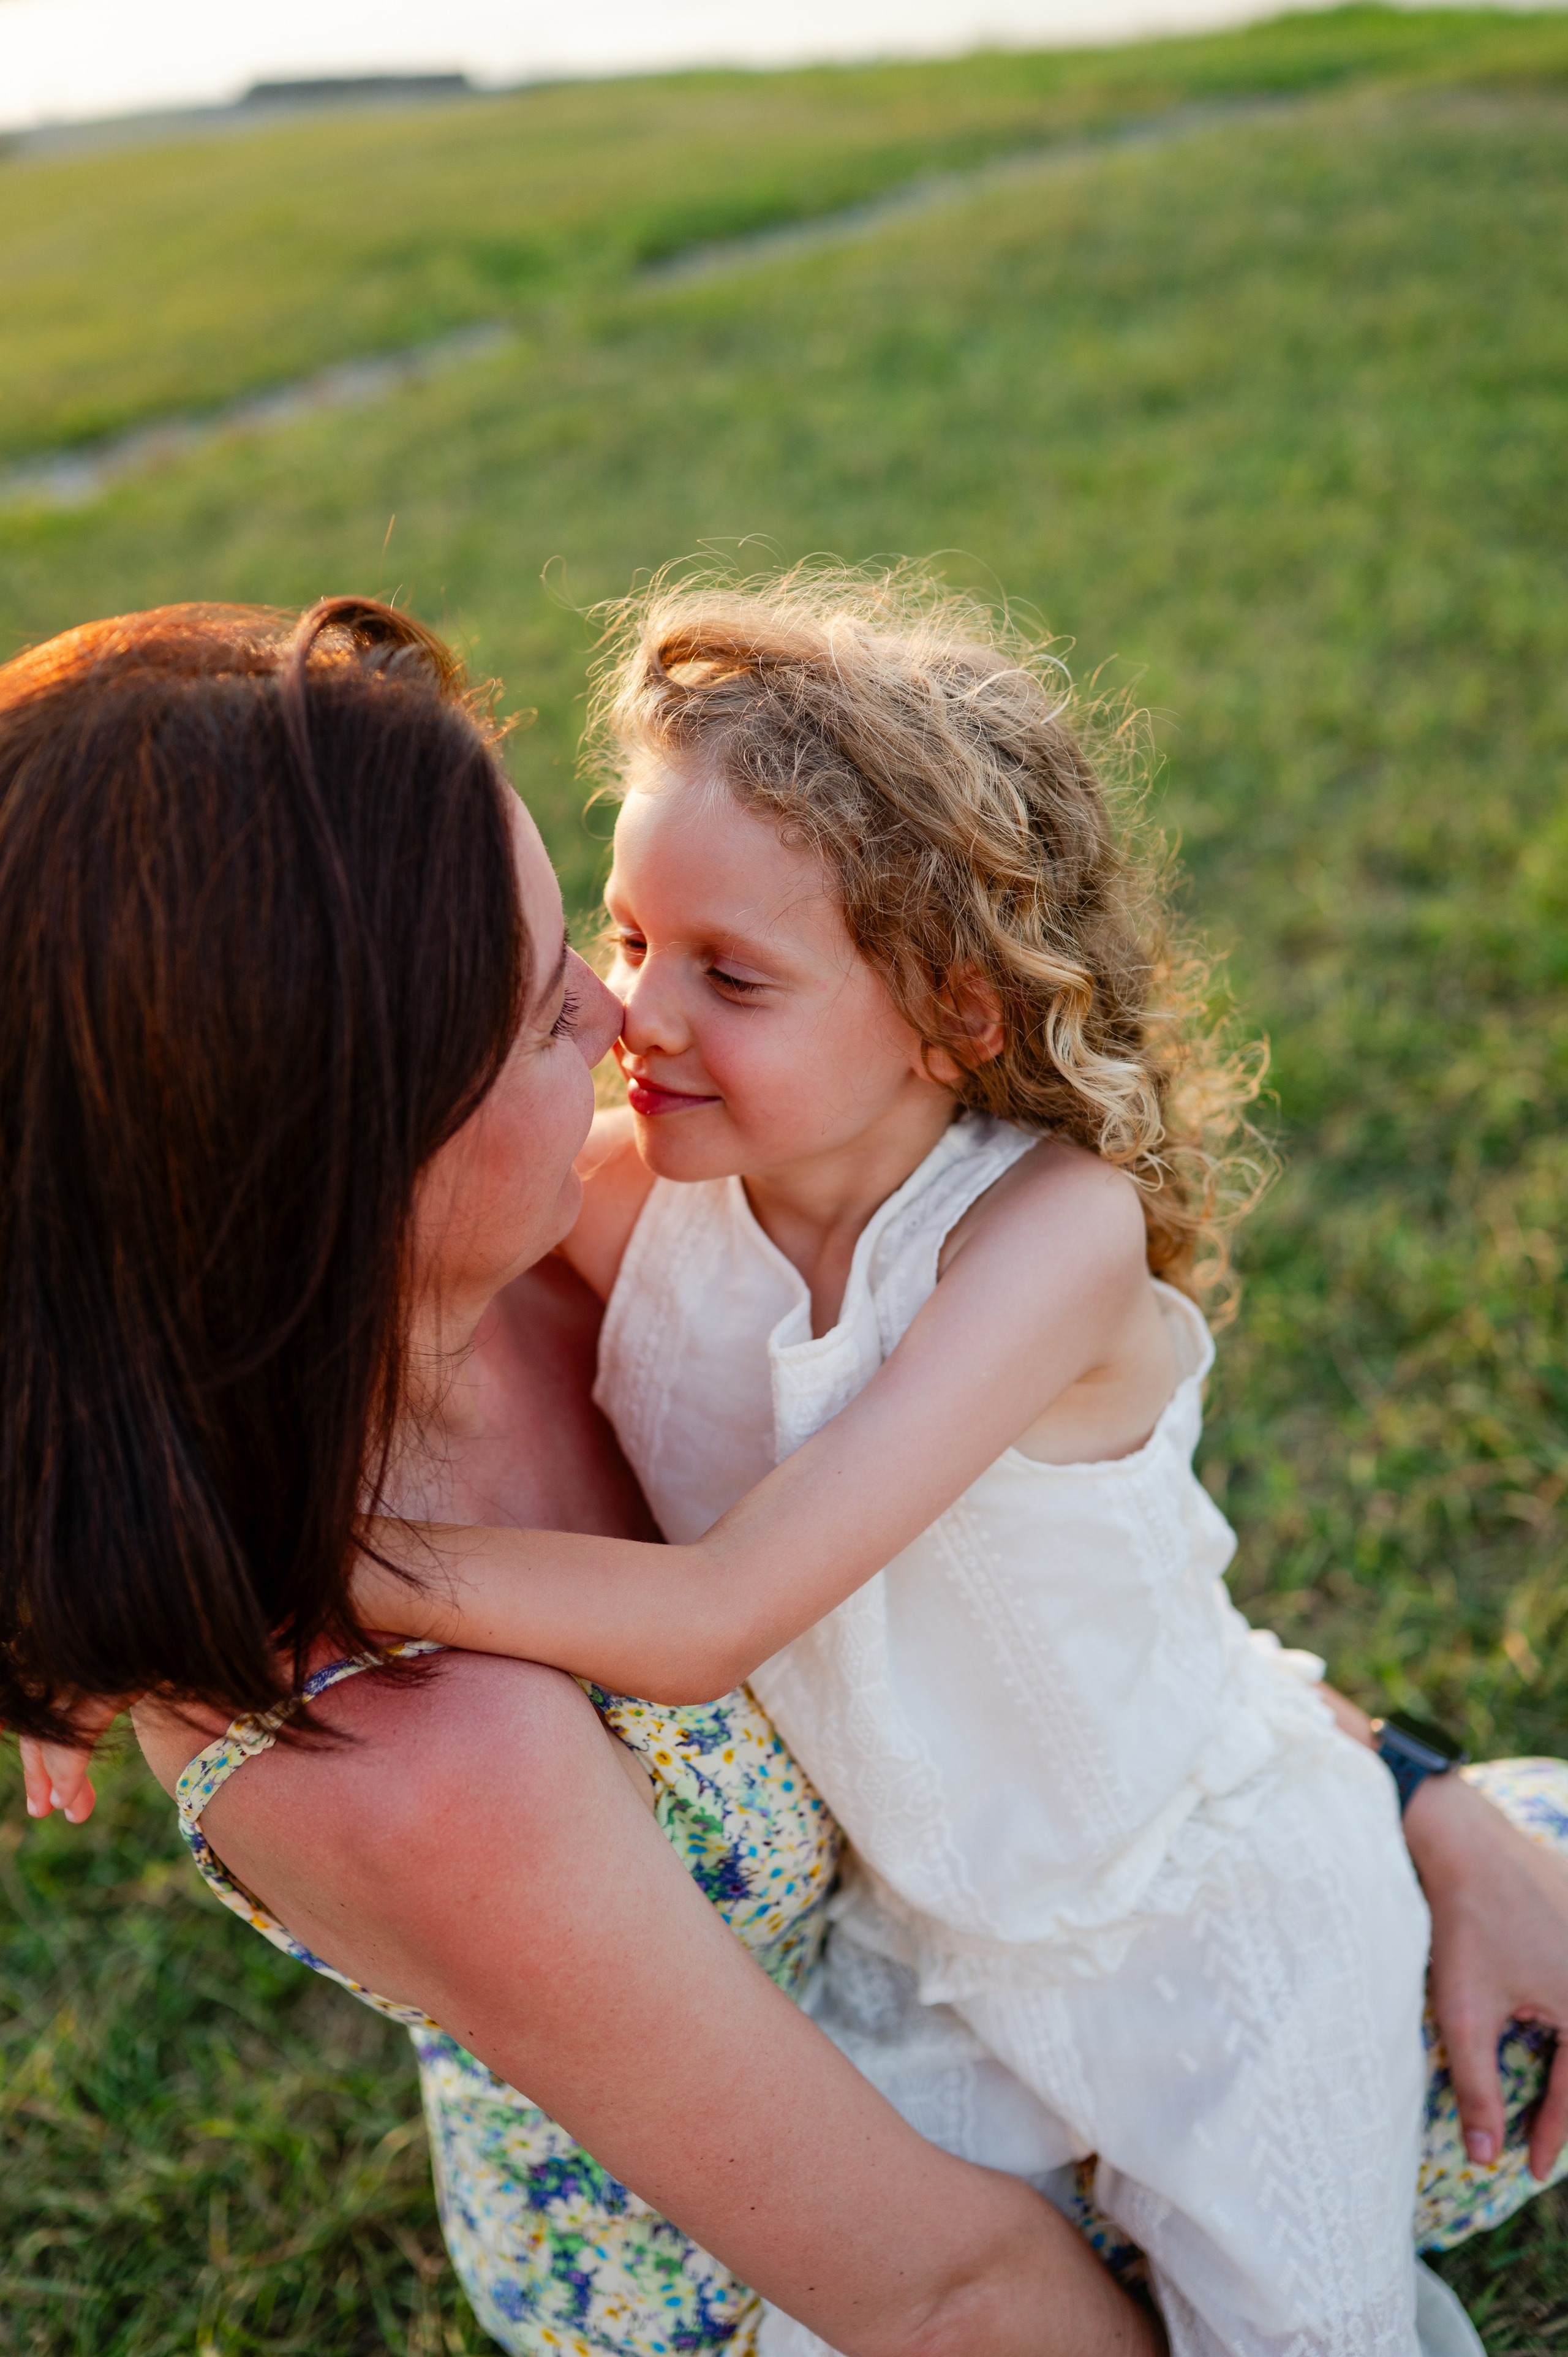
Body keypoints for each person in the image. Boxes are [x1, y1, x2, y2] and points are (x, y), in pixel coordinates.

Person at [10, 595, 1568, 2357]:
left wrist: (1420, 1800)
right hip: (820, 2206)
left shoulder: (606, 1232)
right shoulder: (411, 1741)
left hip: (1110, 1904)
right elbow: (949, 2289)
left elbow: (1034, 1598)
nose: (617, 1018)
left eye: (648, 964)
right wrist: (151, 1576)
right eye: (550, 998)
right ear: (329, 1148)